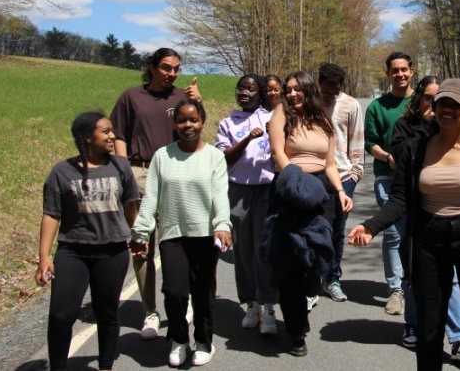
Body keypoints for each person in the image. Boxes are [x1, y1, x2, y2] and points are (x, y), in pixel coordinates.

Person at [349, 78, 460, 371]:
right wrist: (370, 226)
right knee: (429, 331)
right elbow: (399, 199)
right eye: (442, 104)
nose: (447, 110)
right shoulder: (416, 150)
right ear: (434, 108)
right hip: (428, 243)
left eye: (456, 105)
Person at [130, 99, 232, 367]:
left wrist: (222, 224)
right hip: (173, 234)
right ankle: (178, 339)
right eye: (182, 120)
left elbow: (220, 195)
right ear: (174, 124)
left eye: (193, 120)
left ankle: (203, 342)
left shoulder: (214, 156)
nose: (188, 125)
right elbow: (151, 198)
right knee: (174, 291)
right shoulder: (162, 157)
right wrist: (140, 232)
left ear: (202, 122)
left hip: (205, 235)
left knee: (202, 292)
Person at [110, 47, 201, 339]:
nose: (171, 73)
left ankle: (181, 301)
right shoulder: (131, 96)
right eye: (165, 67)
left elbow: (194, 130)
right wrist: (124, 171)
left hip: (174, 173)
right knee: (142, 245)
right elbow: (119, 134)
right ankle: (150, 311)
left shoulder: (181, 98)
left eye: (176, 68)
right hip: (139, 174)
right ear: (152, 67)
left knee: (177, 241)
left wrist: (198, 102)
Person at [36, 112, 139, 371]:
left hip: (113, 251)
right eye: (105, 132)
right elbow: (51, 214)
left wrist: (138, 234)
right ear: (87, 138)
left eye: (111, 130)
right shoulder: (62, 171)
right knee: (61, 315)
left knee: (107, 314)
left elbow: (129, 205)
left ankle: (105, 366)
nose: (112, 136)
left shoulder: (120, 166)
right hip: (73, 251)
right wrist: (45, 257)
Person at [264, 70, 353, 357]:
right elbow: (279, 153)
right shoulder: (280, 114)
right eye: (287, 89)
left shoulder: (323, 120)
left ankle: (311, 290)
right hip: (290, 189)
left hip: (322, 193)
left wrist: (340, 191)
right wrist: (296, 184)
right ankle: (295, 331)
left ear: (308, 90)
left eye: (296, 89)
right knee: (291, 263)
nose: (291, 94)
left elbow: (329, 164)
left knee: (315, 257)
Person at [391, 76, 460, 361]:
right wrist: (429, 128)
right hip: (411, 207)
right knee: (414, 272)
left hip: (442, 216)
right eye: (430, 98)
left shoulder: (457, 128)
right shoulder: (406, 125)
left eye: (439, 99)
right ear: (420, 99)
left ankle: (459, 336)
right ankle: (414, 324)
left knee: (449, 277)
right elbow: (402, 156)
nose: (436, 105)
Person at [215, 74, 277, 334]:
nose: (244, 93)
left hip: (267, 189)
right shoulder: (227, 122)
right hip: (239, 190)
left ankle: (269, 307)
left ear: (260, 93)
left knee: (265, 250)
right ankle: (251, 303)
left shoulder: (272, 118)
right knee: (243, 251)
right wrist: (247, 139)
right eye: (241, 88)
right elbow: (225, 158)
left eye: (250, 89)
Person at [364, 51, 414, 317]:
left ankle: (413, 282)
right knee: (394, 231)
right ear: (388, 74)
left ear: (412, 71)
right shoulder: (377, 107)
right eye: (395, 70)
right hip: (387, 176)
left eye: (404, 69)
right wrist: (388, 157)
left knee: (415, 230)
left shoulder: (421, 103)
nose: (400, 74)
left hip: (419, 177)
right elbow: (369, 142)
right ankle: (396, 289)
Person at [318, 63, 365, 303]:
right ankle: (313, 278)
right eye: (326, 91)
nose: (329, 96)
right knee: (314, 228)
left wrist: (355, 174)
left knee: (337, 230)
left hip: (344, 175)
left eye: (334, 92)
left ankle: (332, 278)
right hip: (314, 175)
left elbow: (356, 140)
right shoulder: (310, 102)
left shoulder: (350, 104)